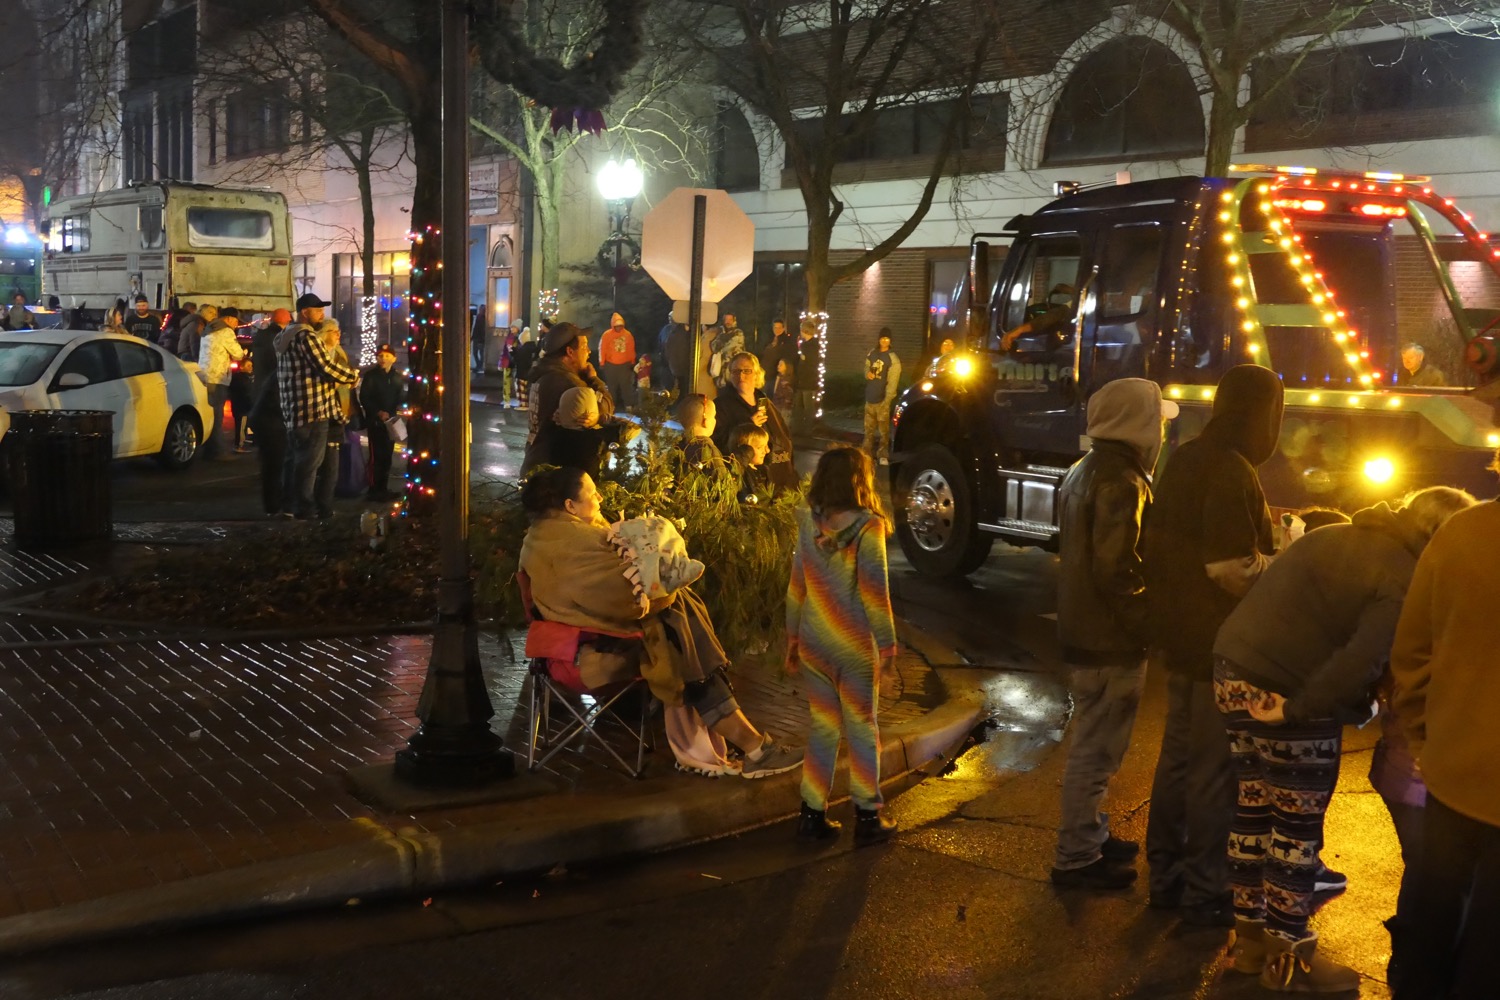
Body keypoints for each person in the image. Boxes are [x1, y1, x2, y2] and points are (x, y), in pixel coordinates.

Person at [1213, 487, 1475, 992]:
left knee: (1253, 810)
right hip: (1287, 694)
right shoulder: (1402, 575)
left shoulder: (1336, 533)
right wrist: (1300, 708)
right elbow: (1364, 659)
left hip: (1231, 673)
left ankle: (1248, 945)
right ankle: (1287, 963)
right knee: (1295, 828)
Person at [519, 467, 804, 779]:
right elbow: (629, 599)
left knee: (685, 639)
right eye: (591, 493)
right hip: (595, 651)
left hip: (585, 640)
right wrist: (667, 589)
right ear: (569, 506)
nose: (600, 497)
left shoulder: (549, 537)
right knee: (683, 644)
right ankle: (754, 749)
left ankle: (749, 745)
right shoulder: (570, 544)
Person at [1142, 364, 1284, 928]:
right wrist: (1280, 563)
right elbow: (1230, 567)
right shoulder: (1231, 469)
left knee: (1177, 761)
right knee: (1210, 770)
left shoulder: (1185, 458)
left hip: (1177, 636)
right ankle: (1206, 887)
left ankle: (1166, 876)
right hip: (1216, 644)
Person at [1051, 379, 1179, 891]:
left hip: (1085, 633)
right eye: (1159, 420)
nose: (1164, 430)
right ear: (1137, 423)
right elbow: (1117, 568)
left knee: (1095, 746)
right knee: (1096, 752)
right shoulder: (1122, 481)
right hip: (1108, 641)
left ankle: (1090, 834)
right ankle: (1075, 855)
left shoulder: (1085, 470)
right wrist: (1152, 624)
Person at [1388, 467, 1500, 999]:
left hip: (1452, 768)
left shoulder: (1463, 532)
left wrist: (1427, 740)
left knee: (1433, 906)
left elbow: (1411, 654)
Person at [786, 446, 898, 844]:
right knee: (863, 727)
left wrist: (792, 636)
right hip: (853, 647)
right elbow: (874, 593)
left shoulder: (808, 523)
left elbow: (797, 584)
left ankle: (811, 815)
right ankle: (868, 817)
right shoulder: (868, 528)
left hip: (815, 642)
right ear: (861, 480)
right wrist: (887, 647)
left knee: (823, 727)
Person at [277, 293, 358, 519]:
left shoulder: (285, 335)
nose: (322, 314)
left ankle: (291, 505)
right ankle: (304, 508)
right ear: (305, 312)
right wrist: (352, 376)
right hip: (313, 409)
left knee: (297, 460)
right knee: (310, 464)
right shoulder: (307, 336)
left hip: (294, 409)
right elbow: (326, 368)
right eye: (318, 310)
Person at [520, 321, 616, 475]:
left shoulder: (543, 375)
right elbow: (605, 407)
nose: (588, 352)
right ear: (570, 352)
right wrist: (594, 380)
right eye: (584, 347)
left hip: (536, 460)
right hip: (557, 470)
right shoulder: (570, 383)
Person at [713, 352, 797, 491]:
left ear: (756, 374)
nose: (741, 375)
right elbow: (718, 441)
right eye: (736, 371)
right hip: (749, 483)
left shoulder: (764, 402)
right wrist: (747, 426)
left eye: (746, 370)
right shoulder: (722, 405)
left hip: (778, 478)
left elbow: (783, 435)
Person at [311, 319, 357, 513]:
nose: (338, 334)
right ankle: (315, 504)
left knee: (331, 465)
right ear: (322, 334)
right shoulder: (317, 356)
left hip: (337, 415)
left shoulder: (339, 353)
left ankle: (325, 504)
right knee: (315, 463)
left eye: (338, 331)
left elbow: (346, 380)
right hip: (318, 414)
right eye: (333, 331)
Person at [248, 308, 291, 516]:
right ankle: (274, 506)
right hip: (272, 412)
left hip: (262, 401)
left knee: (270, 461)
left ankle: (273, 505)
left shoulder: (261, 336)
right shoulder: (278, 343)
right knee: (275, 461)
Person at [198, 307, 245, 459]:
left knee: (209, 414)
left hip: (204, 376)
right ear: (229, 319)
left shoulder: (209, 328)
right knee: (217, 416)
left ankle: (207, 448)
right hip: (217, 378)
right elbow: (237, 354)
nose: (237, 324)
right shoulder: (226, 331)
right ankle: (216, 452)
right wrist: (243, 353)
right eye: (236, 320)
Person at [360, 342, 404, 501]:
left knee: (387, 456)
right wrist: (377, 412)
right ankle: (373, 489)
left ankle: (383, 488)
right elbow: (364, 397)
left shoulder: (396, 377)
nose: (383, 359)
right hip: (375, 423)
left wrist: (395, 410)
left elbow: (400, 396)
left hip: (390, 423)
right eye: (380, 356)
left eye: (386, 356)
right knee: (375, 457)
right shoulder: (371, 376)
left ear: (394, 358)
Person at [862, 329, 902, 466]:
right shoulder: (872, 353)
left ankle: (882, 453)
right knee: (868, 429)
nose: (884, 341)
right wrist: (867, 373)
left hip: (882, 400)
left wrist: (887, 400)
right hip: (870, 397)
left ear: (890, 341)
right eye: (882, 338)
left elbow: (893, 382)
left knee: (884, 431)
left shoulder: (893, 359)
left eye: (887, 339)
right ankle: (866, 453)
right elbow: (866, 367)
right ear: (879, 339)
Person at [675, 393, 724, 473]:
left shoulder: (677, 447)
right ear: (705, 421)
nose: (715, 420)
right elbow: (721, 479)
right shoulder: (707, 450)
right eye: (714, 416)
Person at [598, 311, 637, 409]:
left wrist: (632, 361)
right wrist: (602, 362)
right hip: (610, 365)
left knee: (626, 386)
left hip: (624, 365)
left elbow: (631, 348)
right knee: (612, 387)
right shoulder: (607, 335)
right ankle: (611, 406)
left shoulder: (628, 335)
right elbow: (602, 348)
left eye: (620, 325)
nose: (619, 327)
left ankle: (629, 406)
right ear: (613, 325)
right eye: (617, 326)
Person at [792, 318, 822, 439]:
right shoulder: (805, 345)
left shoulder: (812, 346)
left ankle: (808, 430)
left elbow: (810, 362)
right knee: (798, 406)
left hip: (808, 381)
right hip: (801, 380)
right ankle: (797, 429)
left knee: (808, 406)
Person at [729, 423, 772, 505]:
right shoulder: (740, 473)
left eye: (766, 446)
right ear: (745, 449)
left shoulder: (762, 470)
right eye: (759, 447)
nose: (766, 451)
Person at [512, 326, 539, 410]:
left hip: (521, 372)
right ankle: (524, 404)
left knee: (521, 389)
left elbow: (517, 359)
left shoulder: (523, 349)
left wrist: (512, 351)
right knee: (526, 389)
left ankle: (523, 404)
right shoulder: (531, 348)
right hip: (528, 372)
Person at [497, 324, 521, 407]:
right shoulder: (509, 337)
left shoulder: (519, 338)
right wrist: (501, 362)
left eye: (514, 327)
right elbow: (505, 351)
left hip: (515, 362)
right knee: (506, 382)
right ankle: (506, 400)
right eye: (511, 327)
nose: (511, 329)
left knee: (516, 382)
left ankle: (518, 399)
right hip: (508, 362)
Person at [469, 305, 487, 372]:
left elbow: (480, 329)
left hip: (480, 338)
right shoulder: (479, 317)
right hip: (477, 338)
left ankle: (479, 366)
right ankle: (479, 365)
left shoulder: (482, 318)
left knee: (480, 353)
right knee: (476, 353)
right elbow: (476, 328)